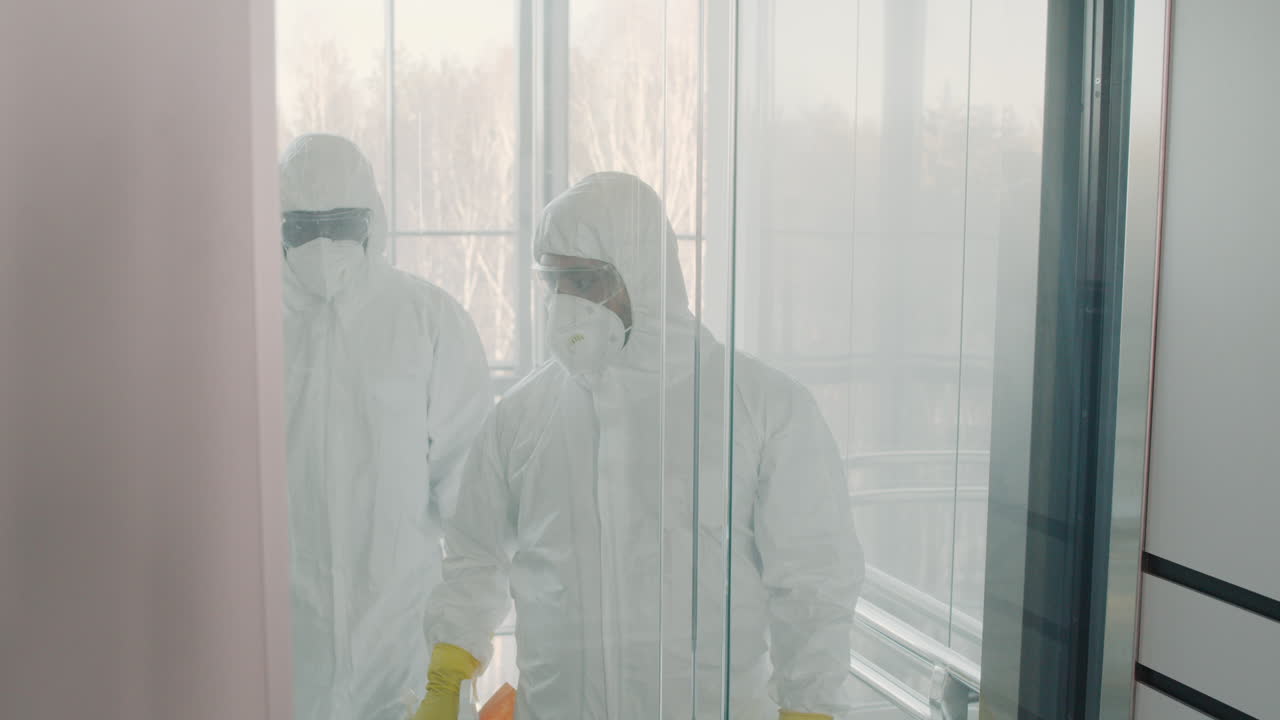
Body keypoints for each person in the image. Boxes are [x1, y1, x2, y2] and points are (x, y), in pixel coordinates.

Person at [413, 172, 864, 720]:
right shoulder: (523, 417)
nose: (565, 303)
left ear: (643, 275)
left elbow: (812, 582)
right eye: (554, 282)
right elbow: (475, 556)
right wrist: (447, 675)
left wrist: (810, 705)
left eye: (584, 282)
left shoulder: (760, 408)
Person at [279, 134, 493, 720]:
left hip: (403, 653)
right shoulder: (244, 325)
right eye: (303, 226)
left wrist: (456, 657)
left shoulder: (427, 320)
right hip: (281, 657)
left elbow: (478, 511)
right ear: (275, 225)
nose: (323, 244)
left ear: (373, 219)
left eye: (341, 223)